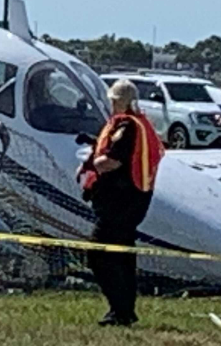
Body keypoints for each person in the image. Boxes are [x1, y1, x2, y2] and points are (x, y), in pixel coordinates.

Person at [76, 78, 165, 327]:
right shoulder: (140, 124)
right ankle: (124, 310)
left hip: (121, 203)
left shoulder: (127, 127)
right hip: (134, 200)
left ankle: (120, 308)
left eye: (113, 101)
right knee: (123, 253)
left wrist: (94, 164)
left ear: (119, 101)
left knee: (98, 253)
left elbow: (112, 161)